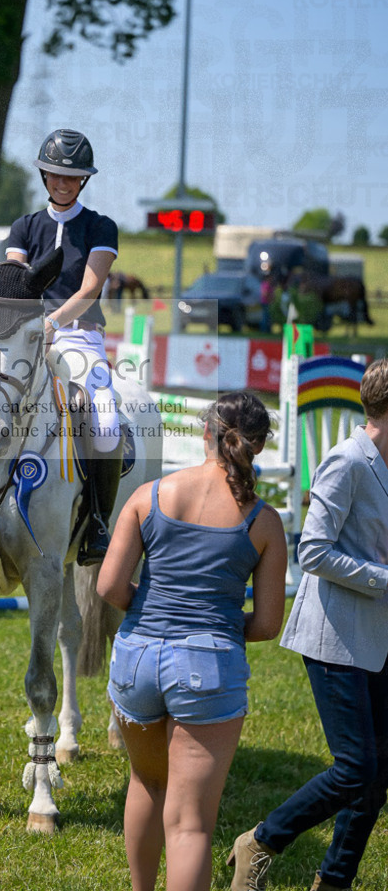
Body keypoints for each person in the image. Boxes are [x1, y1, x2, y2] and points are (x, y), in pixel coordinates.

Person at [97, 392, 287, 891]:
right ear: (258, 446)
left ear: (206, 433)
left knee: (146, 783)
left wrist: (151, 611)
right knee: (190, 825)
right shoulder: (264, 521)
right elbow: (268, 624)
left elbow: (109, 586)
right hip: (209, 665)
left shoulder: (149, 496)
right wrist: (214, 628)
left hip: (136, 658)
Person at [229, 359, 388, 891]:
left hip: (376, 636)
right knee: (356, 768)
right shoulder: (348, 461)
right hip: (334, 636)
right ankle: (260, 842)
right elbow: (313, 551)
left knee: (377, 775)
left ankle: (334, 881)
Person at [5, 127, 121, 565]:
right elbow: (14, 282)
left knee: (105, 422)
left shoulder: (100, 226)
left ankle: (98, 521)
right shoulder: (24, 227)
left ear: (83, 180)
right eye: (55, 174)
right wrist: (29, 325)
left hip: (80, 337)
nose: (63, 182)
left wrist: (53, 321)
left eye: (72, 176)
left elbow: (90, 289)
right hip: (27, 336)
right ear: (44, 175)